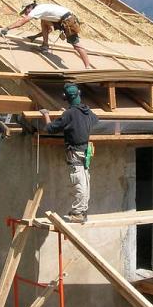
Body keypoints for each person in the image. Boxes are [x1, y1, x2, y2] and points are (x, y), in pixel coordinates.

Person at [40, 83, 99, 223]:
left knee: (79, 182)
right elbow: (94, 120)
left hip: (75, 153)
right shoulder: (87, 111)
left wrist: (46, 114)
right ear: (79, 93)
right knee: (85, 181)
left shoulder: (69, 114)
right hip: (86, 152)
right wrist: (69, 114)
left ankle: (78, 213)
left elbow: (49, 128)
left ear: (65, 97)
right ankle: (82, 211)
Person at [1, 1, 93, 68]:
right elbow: (49, 29)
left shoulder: (36, 10)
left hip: (68, 21)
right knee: (43, 22)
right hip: (63, 20)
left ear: (29, 7)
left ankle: (87, 66)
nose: (25, 13)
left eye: (26, 11)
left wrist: (7, 28)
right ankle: (45, 46)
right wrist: (36, 36)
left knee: (76, 45)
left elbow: (22, 22)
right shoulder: (43, 11)